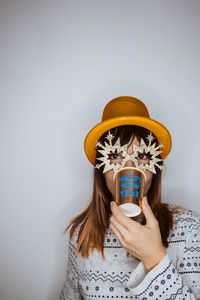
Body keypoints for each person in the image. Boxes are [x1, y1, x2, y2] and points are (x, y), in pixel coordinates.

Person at [60, 96, 200, 299]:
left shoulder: (190, 229)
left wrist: (154, 258)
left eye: (142, 156)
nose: (129, 167)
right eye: (115, 156)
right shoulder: (81, 235)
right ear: (101, 170)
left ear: (155, 169)